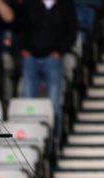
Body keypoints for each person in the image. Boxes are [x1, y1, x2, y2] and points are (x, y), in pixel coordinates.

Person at [17, 0, 78, 135]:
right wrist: (24, 49)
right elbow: (21, 27)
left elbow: (72, 31)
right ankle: (29, 135)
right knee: (27, 102)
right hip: (31, 57)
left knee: (54, 104)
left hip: (53, 59)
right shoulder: (30, 3)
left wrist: (60, 51)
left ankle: (54, 139)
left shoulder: (66, 4)